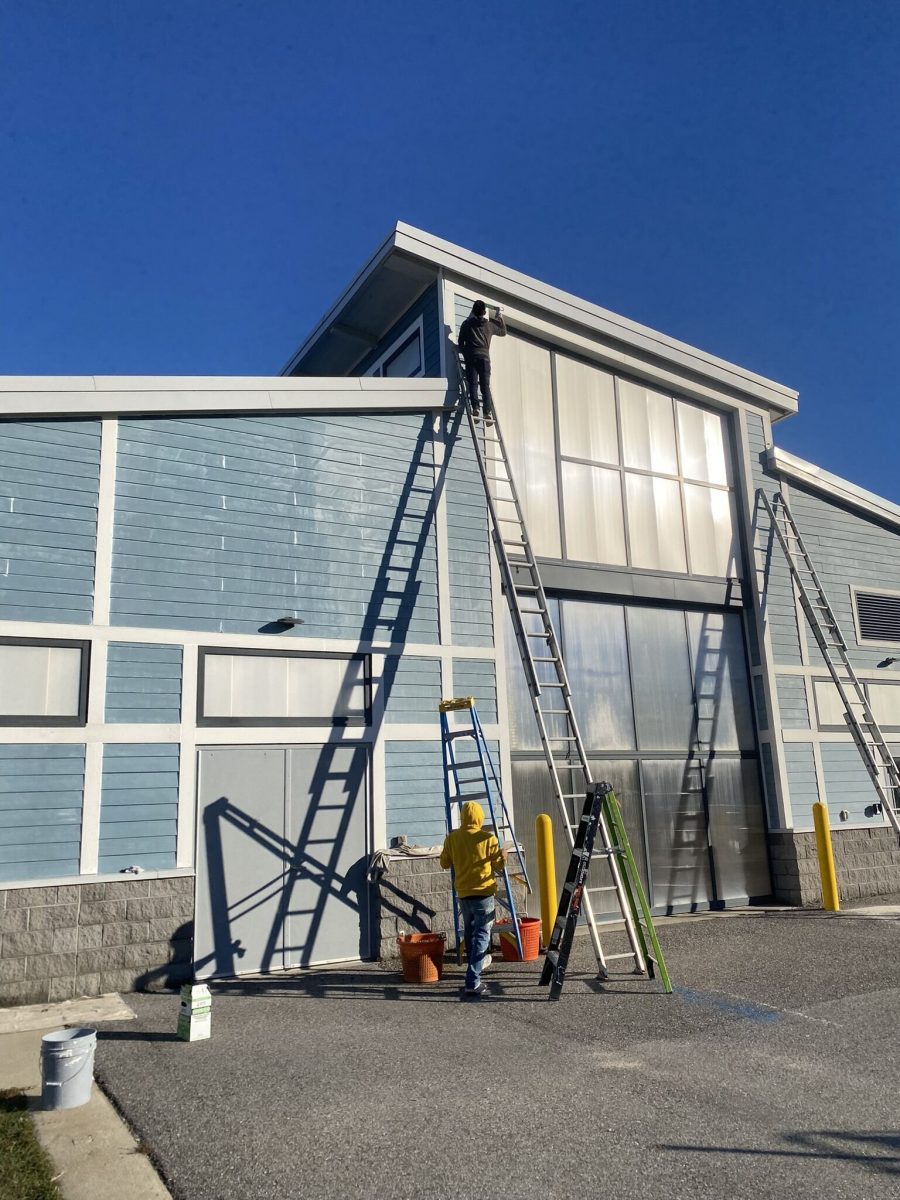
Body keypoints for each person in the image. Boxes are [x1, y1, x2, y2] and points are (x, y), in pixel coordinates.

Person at [439, 800, 506, 998]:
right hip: (484, 893)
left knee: (470, 934)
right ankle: (473, 981)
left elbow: (444, 863)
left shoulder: (452, 838)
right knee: (482, 936)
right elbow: (499, 865)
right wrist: (504, 854)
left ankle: (473, 971)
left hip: (464, 894)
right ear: (479, 817)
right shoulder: (488, 838)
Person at [458, 299, 506, 423]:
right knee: (485, 386)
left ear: (473, 311)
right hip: (484, 358)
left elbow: (460, 342)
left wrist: (465, 353)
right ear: (484, 312)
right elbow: (503, 332)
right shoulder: (489, 325)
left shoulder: (467, 324)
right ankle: (487, 412)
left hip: (471, 358)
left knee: (473, 384)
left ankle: (476, 408)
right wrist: (500, 316)